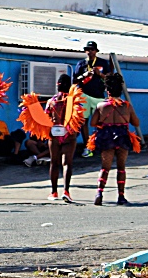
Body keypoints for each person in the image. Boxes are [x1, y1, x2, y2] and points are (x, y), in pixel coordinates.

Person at [90, 73, 141, 207]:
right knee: (121, 168)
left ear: (107, 90)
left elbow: (93, 123)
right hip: (122, 136)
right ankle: (121, 196)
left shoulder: (101, 105)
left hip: (106, 136)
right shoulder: (126, 106)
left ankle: (99, 193)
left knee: (105, 167)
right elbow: (136, 123)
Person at [45, 75, 81, 203]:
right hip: (69, 134)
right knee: (67, 163)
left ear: (57, 84)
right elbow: (79, 118)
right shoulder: (74, 100)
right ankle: (66, 191)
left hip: (54, 134)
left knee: (54, 163)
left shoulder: (51, 101)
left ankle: (54, 191)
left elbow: (46, 118)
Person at [73, 41, 111, 158]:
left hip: (99, 96)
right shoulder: (81, 63)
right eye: (88, 49)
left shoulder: (103, 63)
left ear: (96, 51)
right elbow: (75, 81)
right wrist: (84, 75)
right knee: (84, 122)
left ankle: (101, 144)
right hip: (84, 95)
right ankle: (87, 146)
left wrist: (100, 74)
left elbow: (110, 79)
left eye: (92, 49)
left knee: (102, 122)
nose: (90, 52)